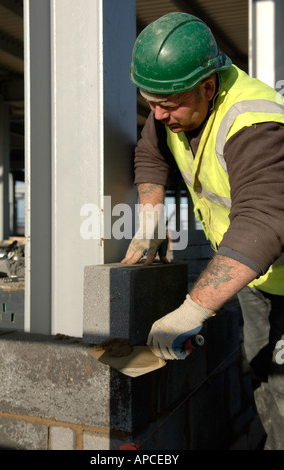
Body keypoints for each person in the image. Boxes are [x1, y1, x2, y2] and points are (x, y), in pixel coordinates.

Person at [121, 12, 284, 450]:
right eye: (149, 102)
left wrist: (193, 310)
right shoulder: (172, 105)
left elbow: (264, 219)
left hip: (278, 269)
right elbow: (151, 156)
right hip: (258, 279)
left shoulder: (254, 122)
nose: (158, 115)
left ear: (208, 87)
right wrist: (150, 223)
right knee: (261, 375)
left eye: (168, 105)